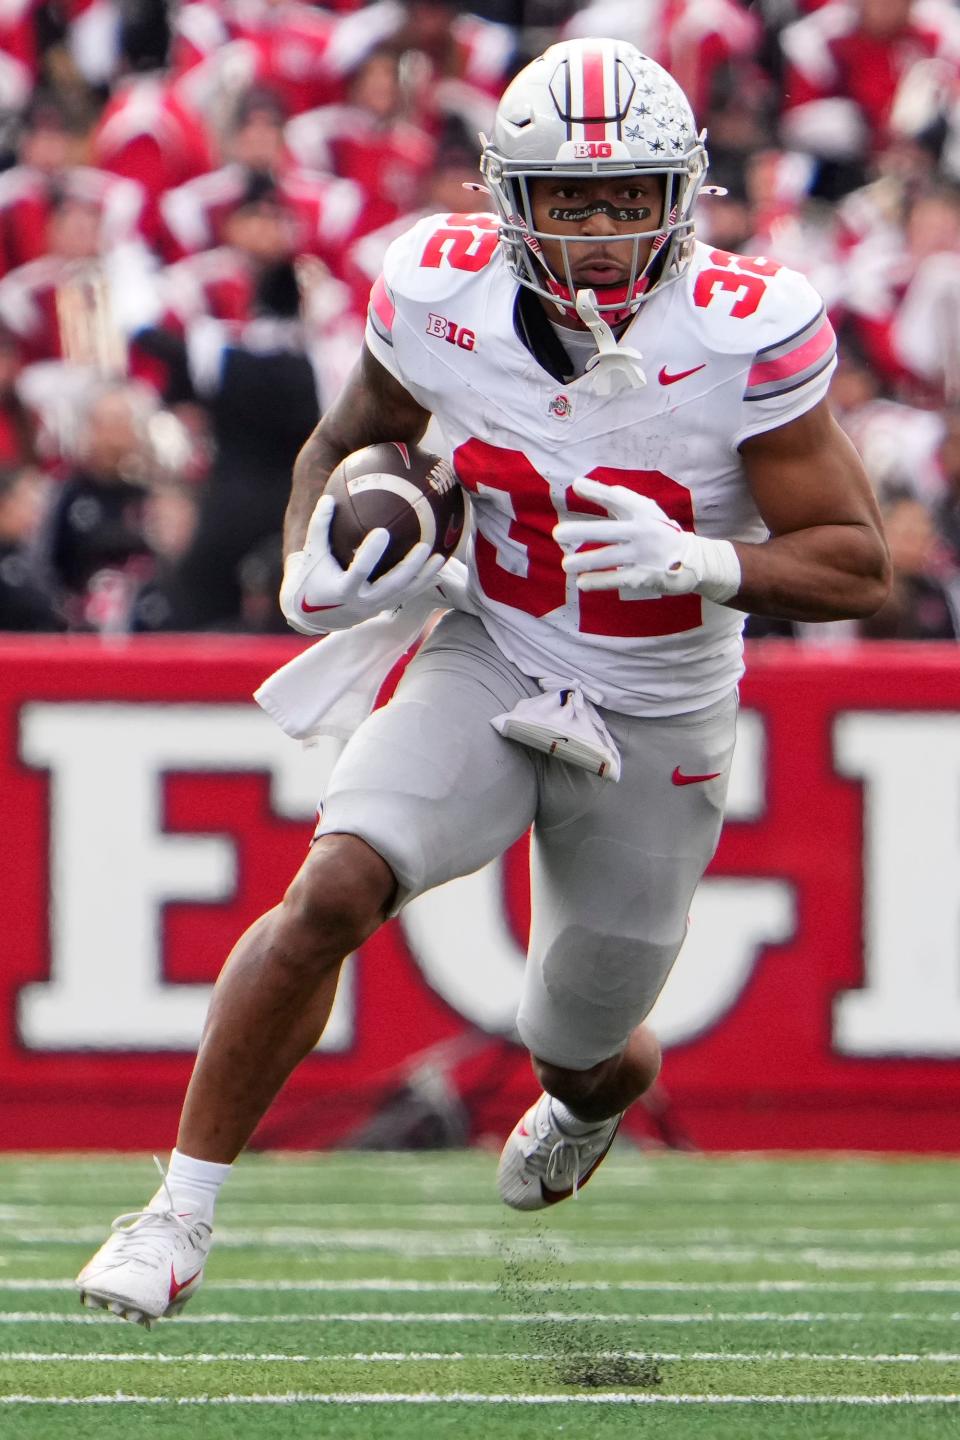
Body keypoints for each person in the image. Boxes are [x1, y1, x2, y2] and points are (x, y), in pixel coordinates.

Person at [76, 38, 890, 1327]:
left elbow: (859, 567)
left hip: (659, 696)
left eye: (633, 197)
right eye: (574, 197)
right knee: (336, 883)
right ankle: (177, 1210)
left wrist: (708, 562)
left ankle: (577, 1103)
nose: (608, 229)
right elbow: (349, 441)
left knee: (581, 1037)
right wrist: (308, 565)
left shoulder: (749, 328)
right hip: (495, 644)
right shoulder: (436, 294)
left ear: (682, 196)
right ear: (509, 200)